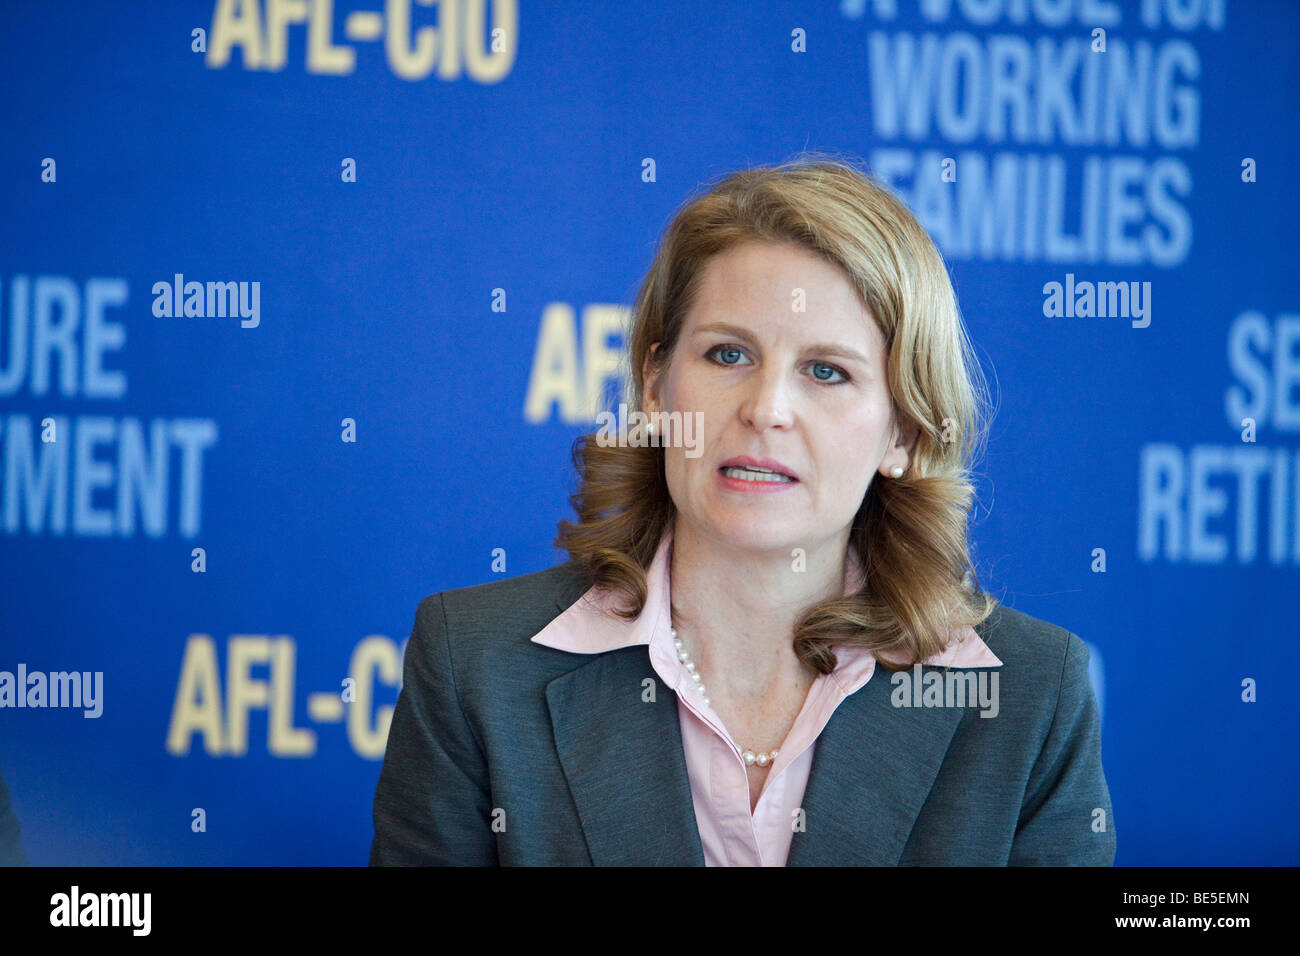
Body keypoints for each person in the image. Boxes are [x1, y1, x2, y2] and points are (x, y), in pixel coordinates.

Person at [369, 152, 1116, 866]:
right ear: (655, 387)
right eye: (728, 354)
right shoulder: (476, 666)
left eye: (827, 371)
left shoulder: (1028, 697)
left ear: (905, 431)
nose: (766, 409)